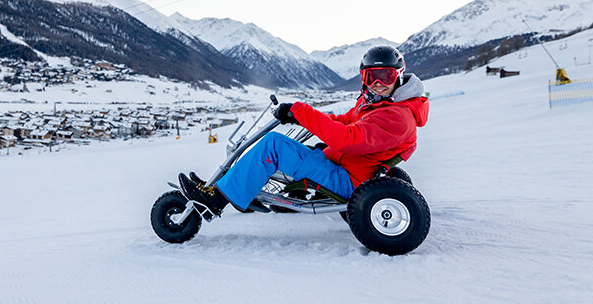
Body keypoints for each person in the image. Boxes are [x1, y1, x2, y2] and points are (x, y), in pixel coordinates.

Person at [178, 45, 429, 216]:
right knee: (302, 149)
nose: (377, 83)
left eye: (384, 76)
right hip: (346, 167)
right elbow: (346, 121)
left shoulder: (396, 116)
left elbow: (347, 139)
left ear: (398, 75)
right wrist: (306, 120)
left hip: (348, 180)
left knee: (274, 146)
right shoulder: (379, 104)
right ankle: (242, 188)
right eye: (370, 76)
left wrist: (301, 112)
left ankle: (214, 201)